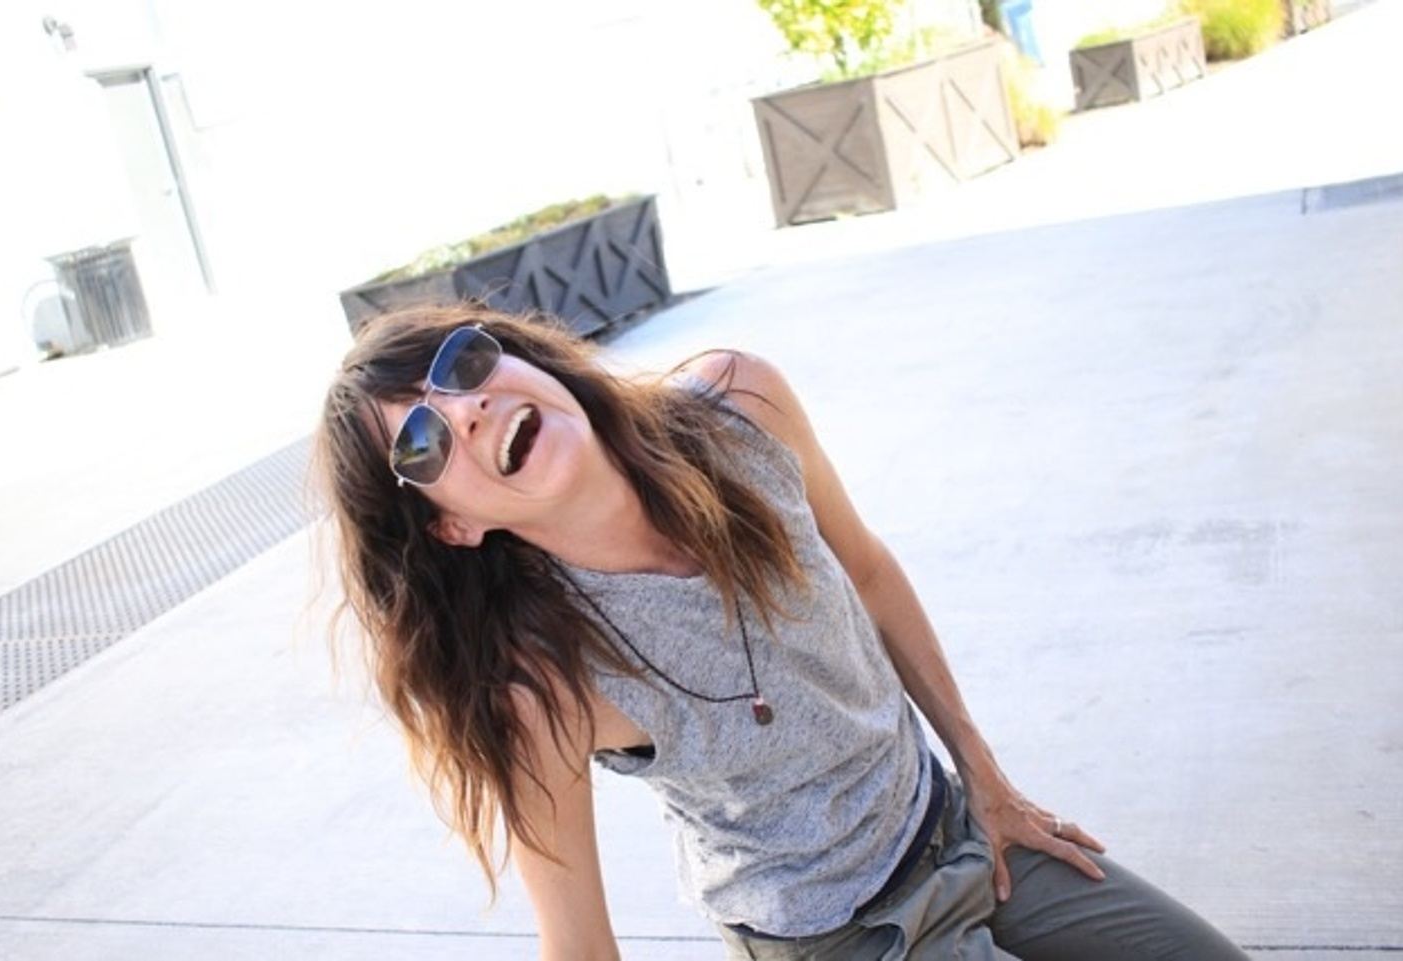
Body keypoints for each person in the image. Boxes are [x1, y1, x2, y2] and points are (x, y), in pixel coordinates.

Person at [316, 304, 1250, 961]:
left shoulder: (740, 406)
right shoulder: (543, 682)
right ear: (452, 525)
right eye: (422, 444)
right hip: (838, 936)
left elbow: (868, 572)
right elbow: (580, 944)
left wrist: (988, 780)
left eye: (463, 366)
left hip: (957, 828)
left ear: (523, 361)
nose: (466, 408)